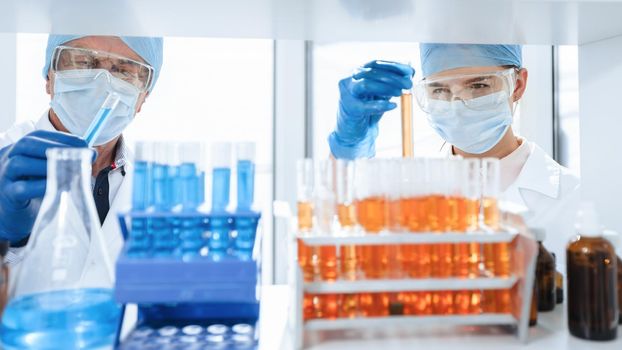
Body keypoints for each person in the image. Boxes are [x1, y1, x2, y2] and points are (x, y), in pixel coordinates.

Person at [328, 44, 580, 265]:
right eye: (439, 90)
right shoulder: (411, 189)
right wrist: (348, 147)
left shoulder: (572, 197)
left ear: (518, 85)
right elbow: (336, 239)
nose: (459, 104)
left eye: (479, 85)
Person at [0, 35, 163, 291]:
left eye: (124, 70)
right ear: (49, 77)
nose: (103, 81)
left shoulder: (157, 191)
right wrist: (4, 237)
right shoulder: (6, 162)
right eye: (83, 61)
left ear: (142, 97)